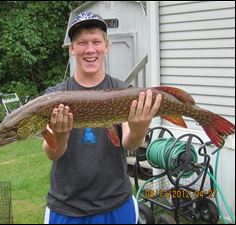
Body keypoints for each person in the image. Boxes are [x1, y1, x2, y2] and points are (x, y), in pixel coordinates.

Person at [43, 11, 162, 224]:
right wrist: (60, 137)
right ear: (71, 49)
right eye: (82, 43)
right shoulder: (55, 97)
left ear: (106, 46)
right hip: (67, 207)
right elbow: (51, 153)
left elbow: (130, 143)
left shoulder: (123, 91)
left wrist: (139, 129)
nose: (90, 49)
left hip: (117, 204)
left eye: (96, 41)